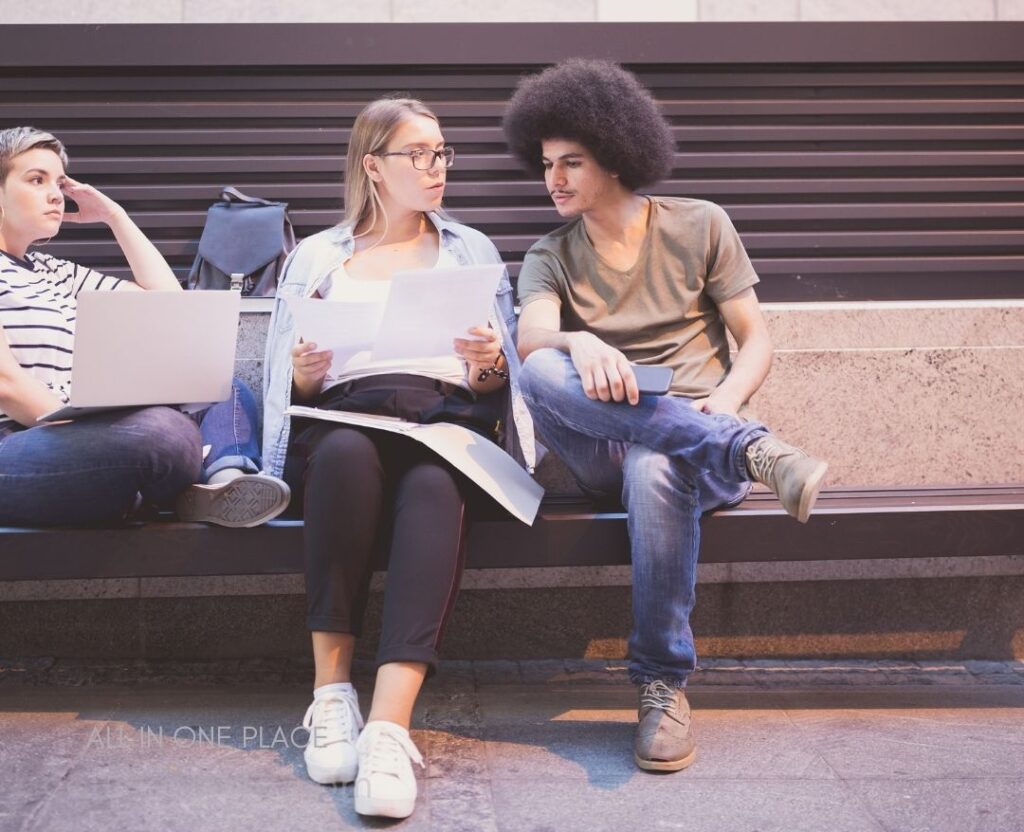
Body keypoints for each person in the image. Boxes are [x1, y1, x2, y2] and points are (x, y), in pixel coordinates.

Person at [503, 59, 829, 773]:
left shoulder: (700, 225)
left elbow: (756, 340)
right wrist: (577, 339)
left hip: (693, 441)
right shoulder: (549, 254)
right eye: (546, 163)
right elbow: (531, 340)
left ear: (616, 153)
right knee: (539, 370)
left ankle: (662, 686)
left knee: (657, 460)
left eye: (571, 162)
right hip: (607, 451)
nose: (552, 178)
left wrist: (726, 402)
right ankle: (750, 451)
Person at [262, 96, 534, 818]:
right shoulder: (321, 255)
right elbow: (282, 381)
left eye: (442, 151)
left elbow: (498, 380)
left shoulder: (470, 248)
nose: (436, 167)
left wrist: (486, 365)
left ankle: (387, 727)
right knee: (347, 454)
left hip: (443, 421)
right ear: (373, 167)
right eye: (418, 154)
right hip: (345, 414)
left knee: (436, 483)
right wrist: (306, 373)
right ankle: (330, 697)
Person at [0, 126, 289, 528]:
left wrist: (114, 217)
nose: (56, 194)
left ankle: (223, 486)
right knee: (159, 434)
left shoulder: (53, 270)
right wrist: (95, 429)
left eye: (59, 182)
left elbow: (168, 302)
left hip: (77, 435)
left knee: (219, 385)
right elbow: (6, 383)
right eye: (36, 180)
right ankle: (164, 485)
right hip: (17, 443)